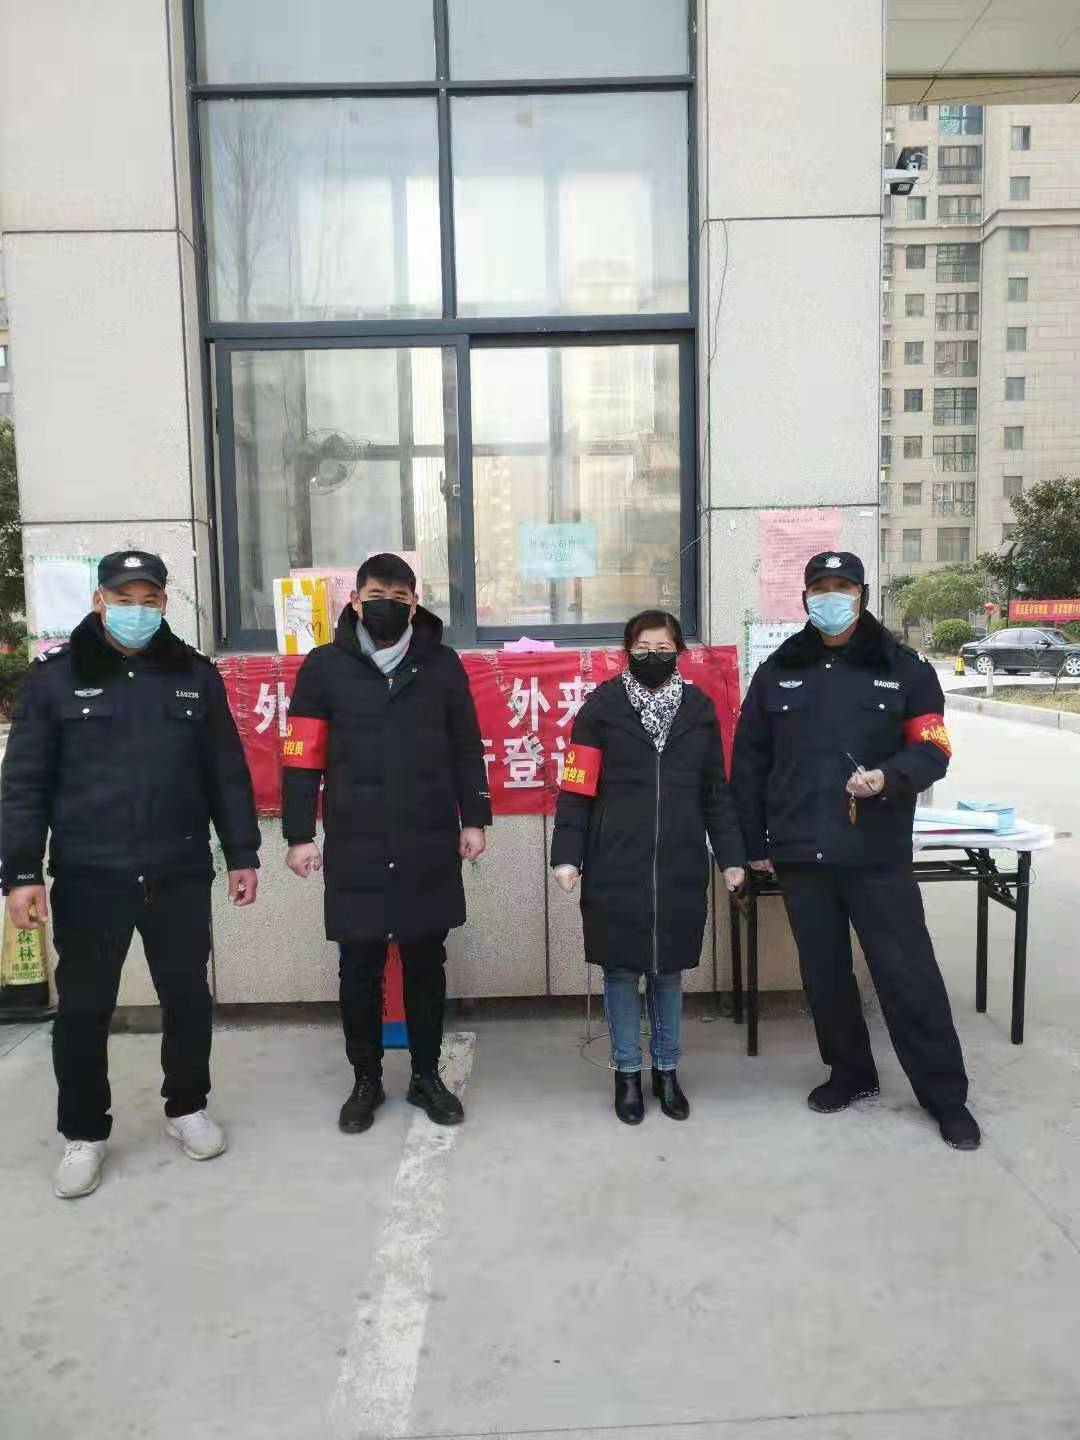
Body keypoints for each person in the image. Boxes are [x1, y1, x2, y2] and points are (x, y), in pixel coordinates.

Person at [1, 551, 261, 1199]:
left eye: (149, 600)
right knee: (84, 1009)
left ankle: (187, 1106)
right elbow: (25, 784)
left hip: (178, 870)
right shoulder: (56, 679)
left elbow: (226, 773)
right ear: (100, 601)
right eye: (124, 599)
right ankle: (83, 1132)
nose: (137, 611)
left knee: (187, 997)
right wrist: (20, 872)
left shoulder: (193, 675)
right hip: (91, 874)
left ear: (164, 604)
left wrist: (242, 854)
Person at [731, 550, 979, 1150]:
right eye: (821, 587)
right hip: (802, 853)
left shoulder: (905, 668)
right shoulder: (778, 670)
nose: (831, 597)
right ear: (805, 597)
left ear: (862, 595)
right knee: (824, 975)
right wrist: (755, 842)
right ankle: (851, 1072)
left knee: (907, 974)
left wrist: (889, 778)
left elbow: (933, 750)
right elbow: (750, 762)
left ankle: (945, 1096)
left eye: (843, 587)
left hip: (876, 853)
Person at [282, 553, 490, 1133]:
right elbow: (301, 756)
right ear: (354, 600)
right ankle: (365, 1080)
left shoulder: (441, 664)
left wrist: (474, 819)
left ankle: (426, 1076)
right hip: (356, 841)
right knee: (359, 966)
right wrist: (299, 835)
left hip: (427, 837)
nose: (388, 606)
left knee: (426, 962)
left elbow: (465, 746)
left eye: (400, 598)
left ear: (415, 605)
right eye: (377, 595)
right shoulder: (324, 667)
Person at [551, 610, 745, 1124]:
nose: (652, 657)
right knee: (620, 971)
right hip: (615, 860)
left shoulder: (699, 710)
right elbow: (576, 788)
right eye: (643, 648)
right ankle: (627, 1073)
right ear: (627, 651)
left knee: (667, 971)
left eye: (663, 648)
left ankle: (667, 1070)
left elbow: (716, 792)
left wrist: (731, 857)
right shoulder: (600, 709)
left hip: (679, 861)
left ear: (679, 652)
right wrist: (567, 854)